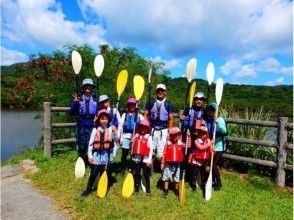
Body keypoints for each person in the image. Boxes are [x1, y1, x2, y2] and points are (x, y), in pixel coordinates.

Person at [81, 110, 119, 197]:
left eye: (106, 119)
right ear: (99, 120)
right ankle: (88, 189)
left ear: (108, 120)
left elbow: (116, 140)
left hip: (106, 156)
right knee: (94, 173)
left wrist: (115, 132)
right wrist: (90, 156)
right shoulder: (95, 130)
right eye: (102, 119)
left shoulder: (110, 129)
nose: (104, 120)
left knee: (104, 173)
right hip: (97, 156)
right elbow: (90, 144)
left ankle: (103, 189)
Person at [144, 83, 174, 165]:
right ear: (156, 91)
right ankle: (149, 167)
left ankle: (162, 168)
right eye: (158, 90)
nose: (160, 92)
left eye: (162, 90)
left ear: (165, 92)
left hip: (163, 129)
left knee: (162, 150)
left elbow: (171, 119)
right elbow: (146, 115)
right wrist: (146, 128)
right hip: (152, 128)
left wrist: (170, 132)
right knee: (151, 149)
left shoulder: (169, 104)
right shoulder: (151, 103)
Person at [70, 78, 98, 165]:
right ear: (83, 87)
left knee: (91, 142)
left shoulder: (96, 98)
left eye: (89, 86)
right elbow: (72, 112)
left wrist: (98, 116)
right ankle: (82, 162)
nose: (88, 87)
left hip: (92, 122)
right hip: (81, 122)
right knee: (82, 143)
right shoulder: (78, 98)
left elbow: (100, 110)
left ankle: (91, 161)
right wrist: (75, 103)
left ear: (92, 87)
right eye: (86, 86)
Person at [119, 97, 144, 175]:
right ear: (128, 106)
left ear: (135, 106)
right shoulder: (124, 115)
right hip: (126, 136)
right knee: (124, 153)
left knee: (134, 154)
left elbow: (144, 124)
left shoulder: (139, 115)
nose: (132, 106)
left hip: (135, 137)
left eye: (133, 105)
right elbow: (120, 126)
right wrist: (120, 138)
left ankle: (133, 168)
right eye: (130, 105)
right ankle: (122, 169)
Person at [206, 102, 227, 191]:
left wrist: (217, 122)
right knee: (211, 164)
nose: (210, 112)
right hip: (212, 146)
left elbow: (224, 131)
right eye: (209, 110)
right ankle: (213, 181)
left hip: (219, 146)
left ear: (216, 111)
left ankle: (219, 183)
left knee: (213, 165)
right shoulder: (209, 119)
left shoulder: (220, 119)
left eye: (212, 110)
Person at [161, 127, 185, 199]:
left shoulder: (180, 143)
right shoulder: (167, 143)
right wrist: (162, 162)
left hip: (177, 164)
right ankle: (165, 190)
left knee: (177, 178)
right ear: (170, 135)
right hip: (168, 163)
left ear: (179, 135)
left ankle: (176, 190)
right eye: (172, 135)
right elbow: (164, 153)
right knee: (166, 177)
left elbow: (187, 147)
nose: (174, 137)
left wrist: (189, 137)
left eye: (176, 135)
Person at [131, 119, 153, 196]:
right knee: (136, 173)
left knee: (146, 174)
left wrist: (149, 160)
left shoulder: (149, 137)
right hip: (137, 158)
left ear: (148, 128)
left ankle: (148, 189)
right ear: (139, 128)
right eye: (141, 127)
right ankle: (136, 188)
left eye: (145, 127)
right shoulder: (136, 136)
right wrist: (132, 142)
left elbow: (151, 149)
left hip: (145, 159)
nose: (143, 129)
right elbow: (133, 147)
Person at [188, 122, 212, 191]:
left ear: (206, 134)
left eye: (204, 133)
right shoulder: (196, 141)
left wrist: (212, 147)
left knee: (203, 173)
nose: (202, 135)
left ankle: (203, 183)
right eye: (201, 133)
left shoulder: (207, 140)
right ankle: (193, 186)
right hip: (196, 161)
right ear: (199, 133)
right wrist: (210, 143)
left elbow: (210, 147)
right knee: (194, 173)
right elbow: (201, 147)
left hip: (203, 161)